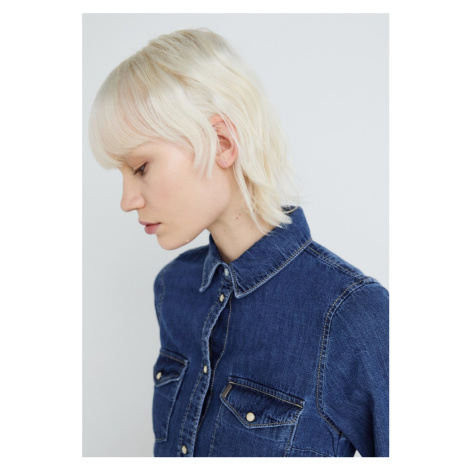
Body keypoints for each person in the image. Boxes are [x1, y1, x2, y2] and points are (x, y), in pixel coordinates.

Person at [88, 28, 389, 458]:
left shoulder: (351, 314)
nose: (126, 200)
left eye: (140, 168)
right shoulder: (174, 289)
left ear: (222, 143)